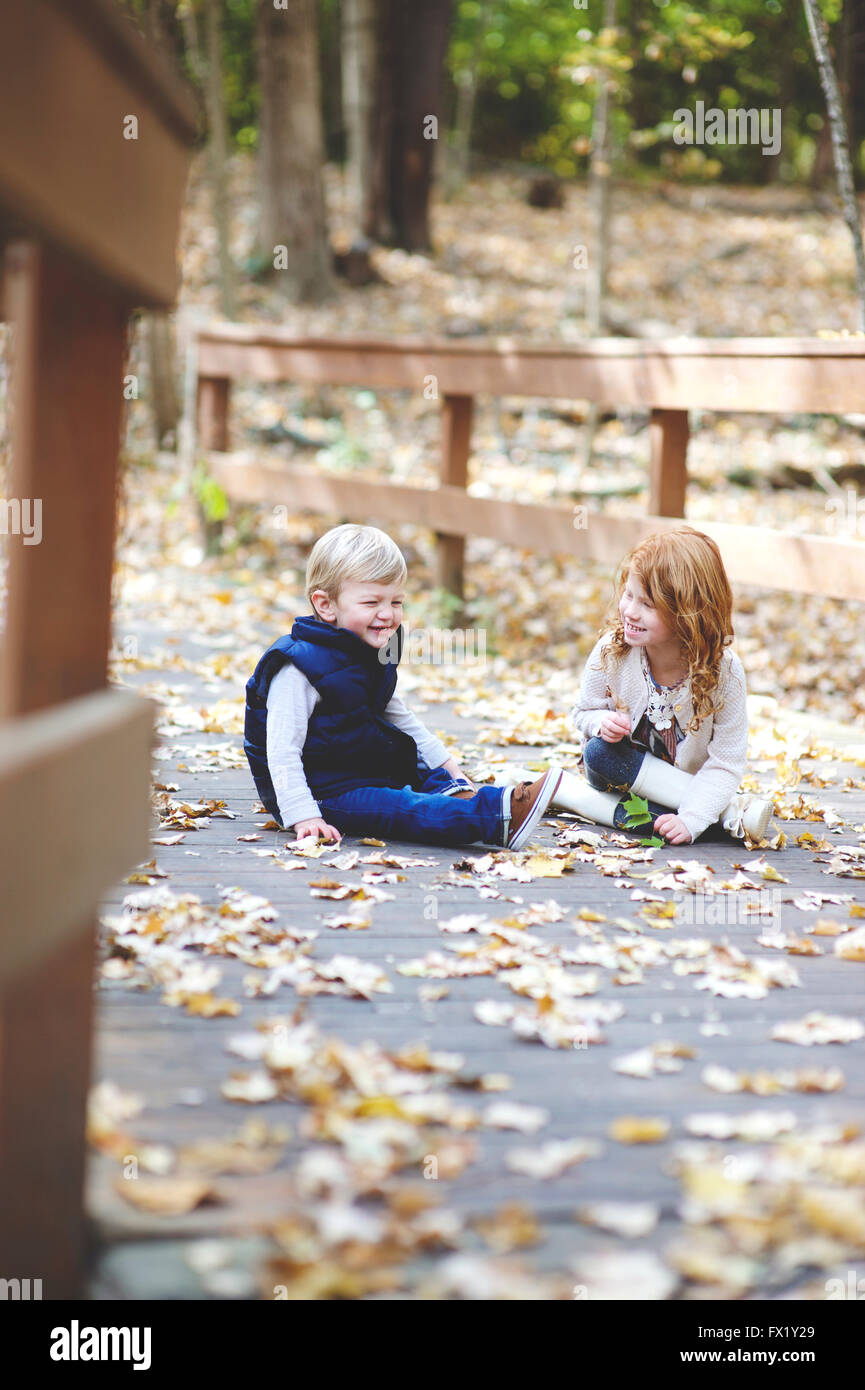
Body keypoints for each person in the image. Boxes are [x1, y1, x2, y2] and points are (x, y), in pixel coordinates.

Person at [243, 523, 562, 849]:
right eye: (371, 603)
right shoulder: (298, 667)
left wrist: (450, 767)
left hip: (365, 767)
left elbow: (399, 716)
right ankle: (497, 819)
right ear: (326, 605)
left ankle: (465, 795)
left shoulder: (370, 648)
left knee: (421, 770)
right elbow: (281, 750)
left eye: (396, 602)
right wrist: (303, 814)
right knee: (402, 809)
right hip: (322, 793)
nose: (388, 614)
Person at [552, 527, 775, 844]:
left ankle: (700, 814)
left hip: (681, 789)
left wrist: (690, 819)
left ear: (687, 612)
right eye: (629, 595)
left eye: (647, 604)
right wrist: (602, 723)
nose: (630, 611)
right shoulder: (611, 652)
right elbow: (583, 712)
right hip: (616, 773)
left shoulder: (725, 673)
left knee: (646, 822)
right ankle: (731, 814)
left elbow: (726, 763)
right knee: (599, 752)